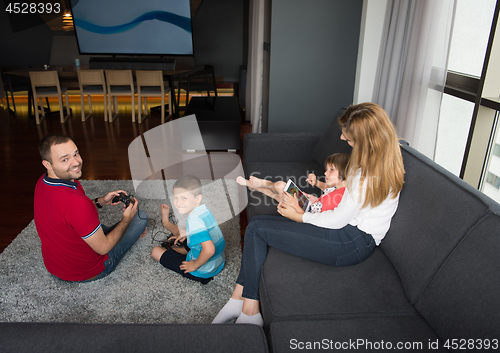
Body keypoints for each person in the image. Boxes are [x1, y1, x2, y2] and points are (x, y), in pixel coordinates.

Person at [212, 102, 405, 326]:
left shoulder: (365, 175)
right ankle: (239, 300)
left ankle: (249, 308)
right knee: (257, 225)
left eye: (348, 138)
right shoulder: (388, 158)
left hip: (349, 242)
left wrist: (300, 216)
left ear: (365, 140)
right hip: (353, 236)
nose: (343, 140)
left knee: (256, 229)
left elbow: (336, 220)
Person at [34, 133, 148, 282]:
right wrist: (127, 220)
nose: (76, 162)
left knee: (94, 225)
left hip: (54, 265)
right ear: (47, 164)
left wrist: (100, 201)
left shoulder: (42, 182)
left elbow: (66, 214)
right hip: (87, 271)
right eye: (65, 159)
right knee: (140, 217)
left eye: (76, 154)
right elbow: (103, 248)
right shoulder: (76, 204)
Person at [151, 175, 226, 285]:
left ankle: (169, 231)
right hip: (218, 262)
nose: (177, 202)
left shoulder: (193, 220)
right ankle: (167, 225)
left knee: (155, 251)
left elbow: (209, 250)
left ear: (197, 198)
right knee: (183, 234)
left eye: (183, 198)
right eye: (176, 197)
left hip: (203, 270)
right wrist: (188, 234)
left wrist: (194, 265)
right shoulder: (204, 210)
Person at [236, 152, 351, 214]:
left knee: (281, 187)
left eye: (331, 170)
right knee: (282, 193)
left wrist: (296, 204)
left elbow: (313, 217)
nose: (325, 173)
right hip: (307, 203)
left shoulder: (339, 197)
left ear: (345, 173)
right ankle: (258, 187)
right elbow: (326, 191)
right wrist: (314, 188)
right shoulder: (338, 188)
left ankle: (263, 184)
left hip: (302, 210)